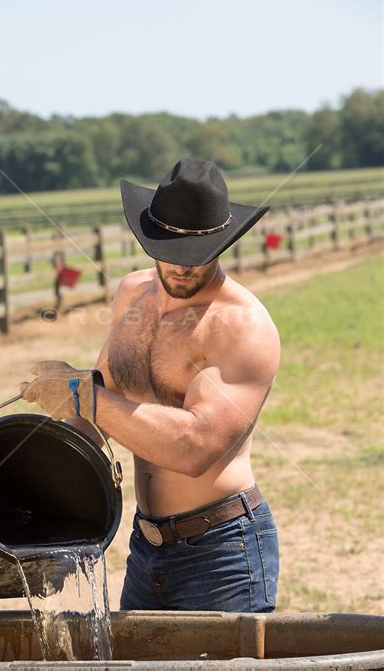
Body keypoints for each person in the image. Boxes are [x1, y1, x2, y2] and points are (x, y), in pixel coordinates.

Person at [20, 158, 281, 613]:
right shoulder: (131, 295)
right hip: (146, 546)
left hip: (223, 550)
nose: (182, 268)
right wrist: (37, 475)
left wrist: (87, 394)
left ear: (223, 242)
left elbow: (195, 448)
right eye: (169, 250)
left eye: (197, 255)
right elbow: (99, 416)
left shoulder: (243, 326)